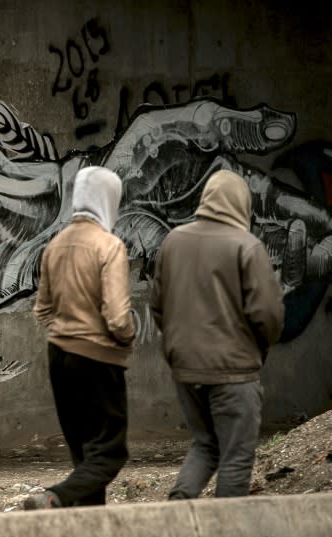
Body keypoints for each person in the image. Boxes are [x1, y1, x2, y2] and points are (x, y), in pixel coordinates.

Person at [150, 169, 285, 499]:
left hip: (186, 369)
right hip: (234, 372)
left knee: (205, 445)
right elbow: (267, 314)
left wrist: (178, 348)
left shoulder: (173, 242)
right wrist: (257, 351)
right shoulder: (247, 246)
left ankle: (176, 516)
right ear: (241, 204)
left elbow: (158, 306)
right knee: (236, 459)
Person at [25, 166, 136, 509]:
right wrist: (128, 337)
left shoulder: (54, 246)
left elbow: (41, 310)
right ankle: (54, 496)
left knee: (83, 455)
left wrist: (66, 327)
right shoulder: (110, 246)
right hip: (98, 360)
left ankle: (87, 522)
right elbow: (118, 317)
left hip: (59, 356)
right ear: (108, 199)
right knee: (109, 453)